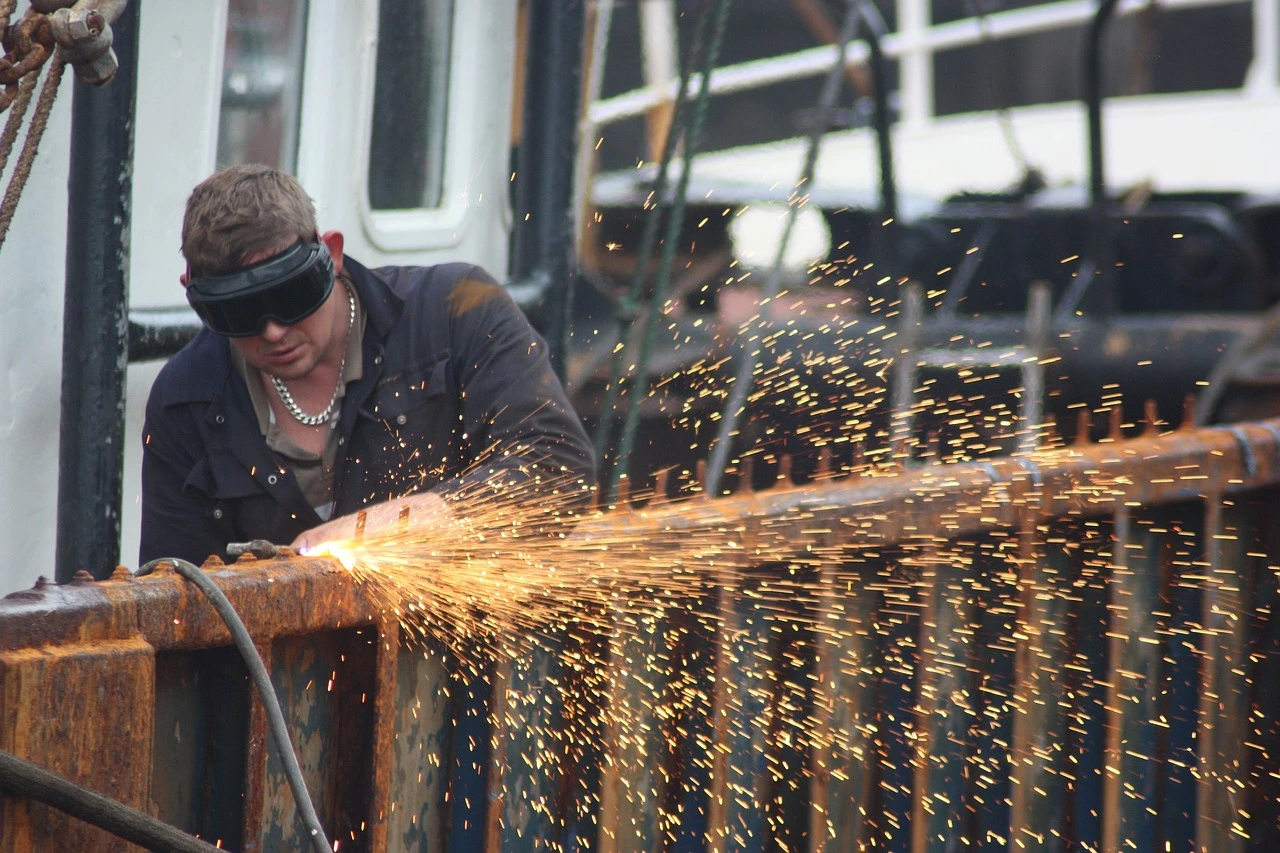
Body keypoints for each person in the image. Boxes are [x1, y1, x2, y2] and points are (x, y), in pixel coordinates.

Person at [140, 165, 595, 566]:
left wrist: (390, 527)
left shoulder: (458, 311)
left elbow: (556, 465)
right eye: (237, 314)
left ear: (331, 254)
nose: (273, 331)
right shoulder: (185, 400)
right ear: (192, 292)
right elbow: (180, 595)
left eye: (290, 298)